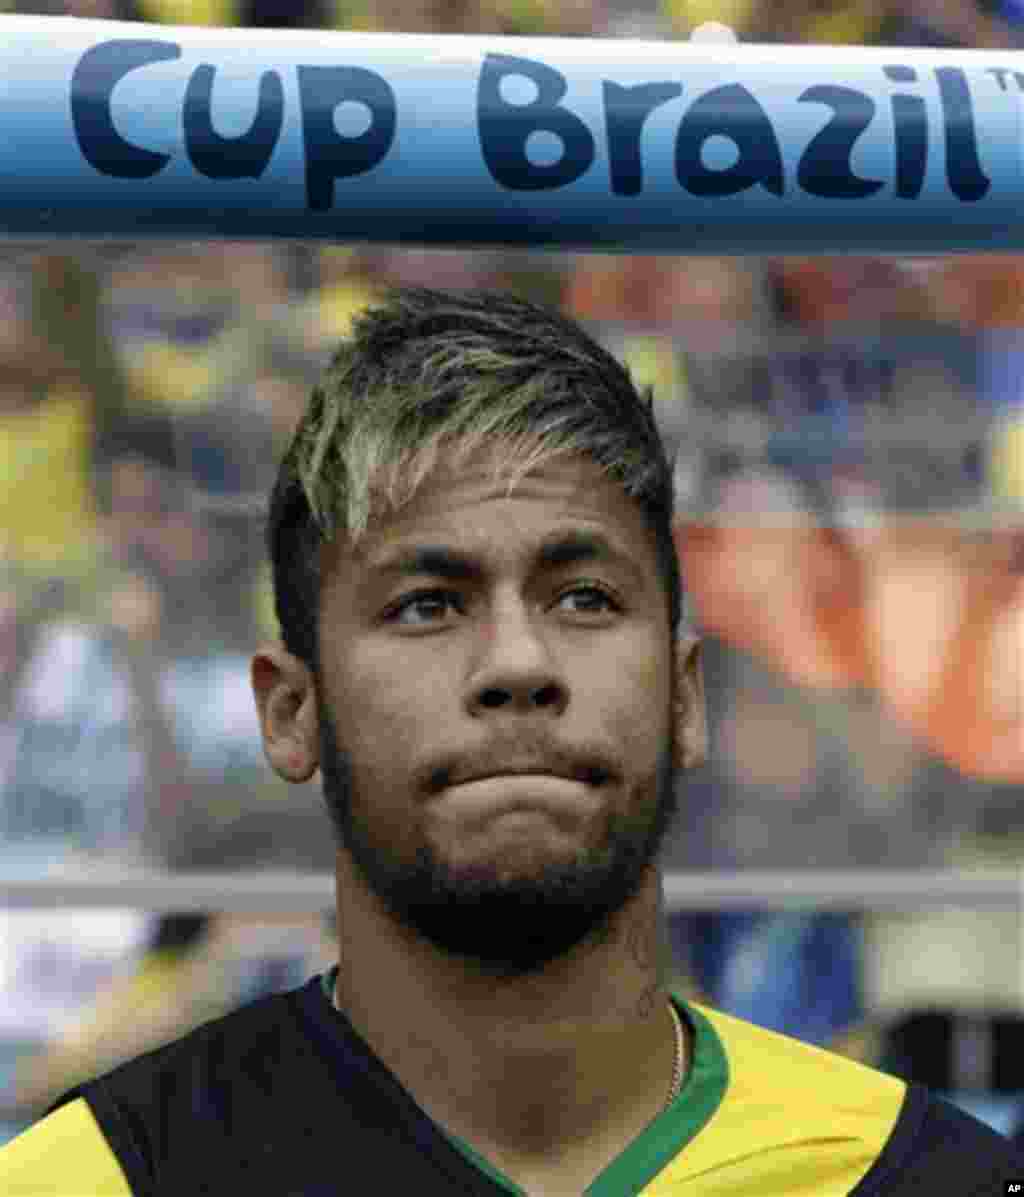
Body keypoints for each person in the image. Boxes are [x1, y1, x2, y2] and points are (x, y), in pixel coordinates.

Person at [0, 287, 1019, 1196]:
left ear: (683, 692)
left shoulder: (917, 1179)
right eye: (426, 605)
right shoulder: (97, 1181)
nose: (517, 663)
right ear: (290, 709)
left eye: (584, 596)